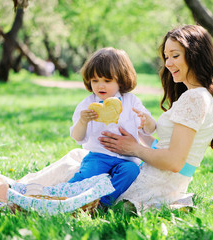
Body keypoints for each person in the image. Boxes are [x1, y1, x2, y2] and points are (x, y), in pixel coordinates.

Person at [98, 25, 213, 211]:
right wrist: (136, 134)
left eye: (175, 56)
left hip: (155, 185)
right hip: (160, 180)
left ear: (196, 55)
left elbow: (174, 161)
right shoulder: (197, 95)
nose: (168, 63)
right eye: (166, 57)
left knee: (77, 169)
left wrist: (134, 148)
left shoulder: (195, 98)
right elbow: (167, 147)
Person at [67, 47, 156, 206]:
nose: (100, 86)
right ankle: (67, 195)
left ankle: (103, 202)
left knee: (131, 172)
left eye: (107, 81)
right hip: (98, 156)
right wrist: (83, 122)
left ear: (121, 80)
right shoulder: (88, 104)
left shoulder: (131, 101)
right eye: (95, 81)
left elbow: (149, 129)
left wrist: (146, 121)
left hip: (126, 159)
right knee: (88, 173)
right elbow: (77, 137)